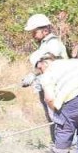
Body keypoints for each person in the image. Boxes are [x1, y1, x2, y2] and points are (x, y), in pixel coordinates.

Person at [24, 14, 68, 143]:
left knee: (59, 116)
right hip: (47, 85)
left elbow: (48, 61)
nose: (33, 35)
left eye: (35, 31)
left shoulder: (53, 43)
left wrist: (33, 74)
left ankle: (67, 145)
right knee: (53, 116)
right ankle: (60, 145)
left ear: (45, 30)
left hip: (56, 86)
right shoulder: (44, 44)